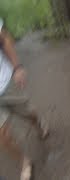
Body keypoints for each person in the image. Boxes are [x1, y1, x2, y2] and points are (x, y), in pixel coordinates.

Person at [0, 18, 48, 180]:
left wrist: (17, 67)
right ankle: (25, 162)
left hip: (5, 82)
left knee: (29, 114)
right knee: (2, 136)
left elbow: (4, 39)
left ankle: (39, 124)